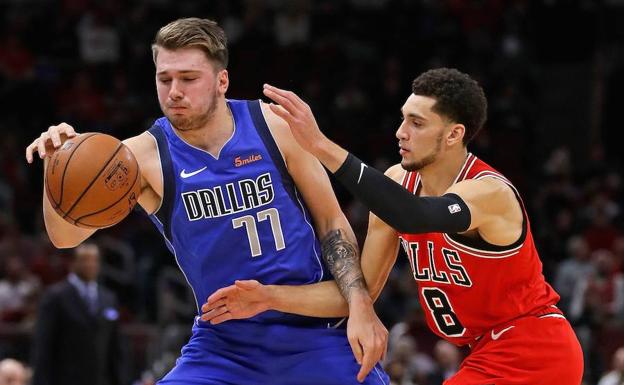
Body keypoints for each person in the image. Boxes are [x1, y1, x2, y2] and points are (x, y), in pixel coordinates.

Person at [25, 18, 388, 385]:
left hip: (315, 331)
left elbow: (332, 223)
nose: (174, 92)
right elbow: (65, 237)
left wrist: (359, 305)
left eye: (188, 78)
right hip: (224, 345)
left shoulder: (274, 124)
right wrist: (56, 164)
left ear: (221, 81)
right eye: (164, 79)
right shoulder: (143, 156)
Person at [202, 68, 584, 384]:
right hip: (485, 351)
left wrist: (320, 146)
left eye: (416, 123)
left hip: (535, 348)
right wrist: (268, 296)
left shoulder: (489, 193)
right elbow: (357, 293)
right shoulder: (399, 182)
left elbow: (414, 216)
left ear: (453, 135)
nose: (401, 131)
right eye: (403, 118)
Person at [31, 242, 126, 385]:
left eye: (94, 260)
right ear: (73, 263)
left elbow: (115, 348)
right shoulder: (55, 297)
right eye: (85, 260)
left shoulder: (109, 298)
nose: (90, 264)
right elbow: (43, 346)